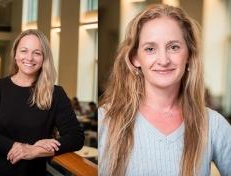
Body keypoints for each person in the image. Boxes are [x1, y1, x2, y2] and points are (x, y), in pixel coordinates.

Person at [99, 4, 231, 176]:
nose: (163, 60)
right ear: (135, 58)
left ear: (189, 55)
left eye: (174, 47)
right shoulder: (106, 119)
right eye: (150, 49)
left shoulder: (213, 124)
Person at [0, 29, 84, 176]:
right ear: (15, 54)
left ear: (44, 58)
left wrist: (35, 151)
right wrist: (21, 147)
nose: (29, 58)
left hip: (32, 172)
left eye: (37, 53)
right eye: (24, 51)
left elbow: (76, 137)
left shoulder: (55, 93)